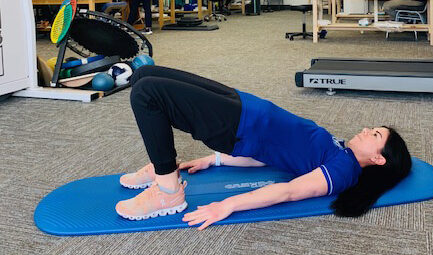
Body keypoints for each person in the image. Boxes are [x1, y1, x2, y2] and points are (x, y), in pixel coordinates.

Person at [115, 65, 412, 230]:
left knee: (146, 94)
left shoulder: (343, 171)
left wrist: (227, 205)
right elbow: (272, 157)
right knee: (145, 75)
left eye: (375, 134)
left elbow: (290, 190)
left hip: (239, 126)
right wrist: (215, 160)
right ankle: (161, 166)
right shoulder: (342, 149)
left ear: (378, 158)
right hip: (247, 106)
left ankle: (167, 191)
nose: (365, 129)